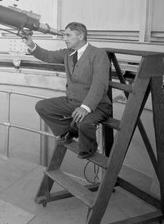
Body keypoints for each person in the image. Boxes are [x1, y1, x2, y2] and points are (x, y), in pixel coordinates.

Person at [24, 22, 112, 159]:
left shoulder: (98, 54)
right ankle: (69, 129)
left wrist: (86, 107)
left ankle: (89, 149)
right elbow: (47, 56)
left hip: (98, 105)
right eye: (64, 35)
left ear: (81, 36)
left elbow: (99, 84)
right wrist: (30, 44)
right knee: (42, 107)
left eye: (68, 35)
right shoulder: (68, 53)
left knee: (84, 122)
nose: (64, 38)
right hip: (72, 101)